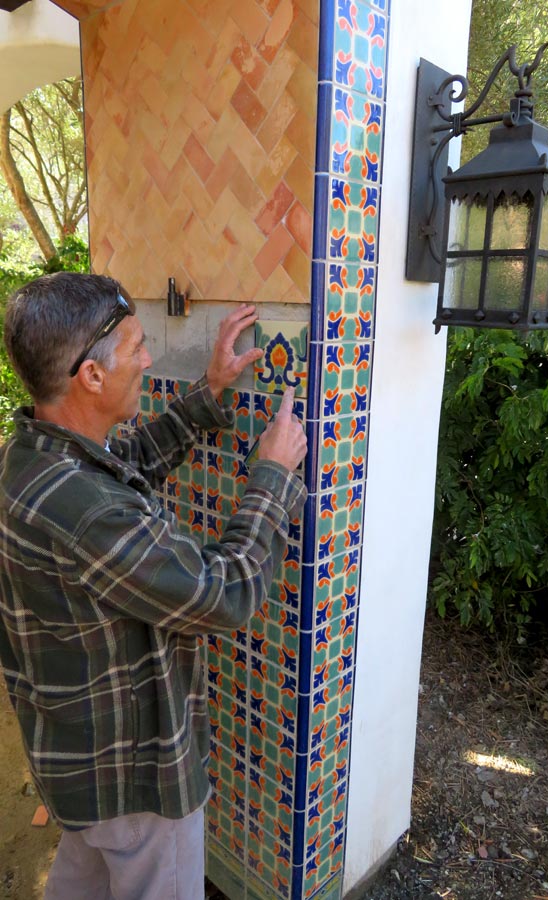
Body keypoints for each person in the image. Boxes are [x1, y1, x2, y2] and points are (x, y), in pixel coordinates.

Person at [0, 272, 307, 900]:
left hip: (78, 763)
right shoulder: (85, 512)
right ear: (91, 375)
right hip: (135, 784)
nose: (148, 360)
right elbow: (223, 594)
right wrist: (273, 476)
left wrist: (208, 394)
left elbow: (123, 468)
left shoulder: (32, 457)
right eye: (138, 347)